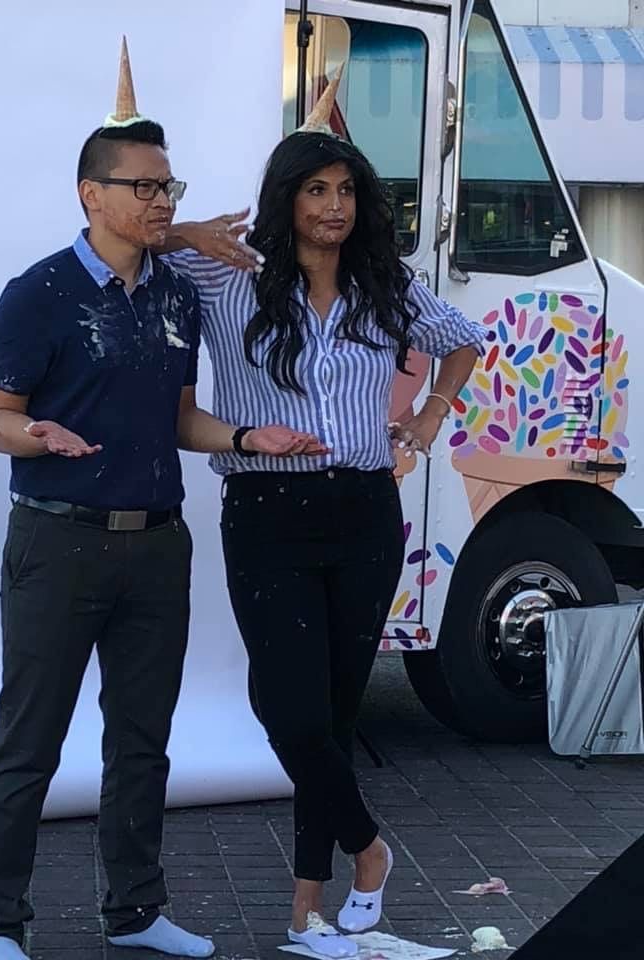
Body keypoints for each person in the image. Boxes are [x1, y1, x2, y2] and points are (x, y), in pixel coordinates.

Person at [0, 39, 324, 960]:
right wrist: (30, 434)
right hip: (57, 544)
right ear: (92, 194)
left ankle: (134, 912)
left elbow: (178, 419)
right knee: (27, 745)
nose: (163, 202)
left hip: (159, 546)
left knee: (141, 743)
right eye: (146, 187)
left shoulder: (175, 295)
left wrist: (245, 439)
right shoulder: (37, 294)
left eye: (170, 186)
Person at [162, 73, 486, 958]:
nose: (334, 206)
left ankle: (306, 916)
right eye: (316, 189)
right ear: (286, 197)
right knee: (288, 706)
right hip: (264, 509)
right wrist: (184, 227)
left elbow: (461, 341)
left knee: (337, 715)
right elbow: (135, 243)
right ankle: (371, 851)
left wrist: (422, 421)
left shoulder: (385, 285)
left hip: (363, 512)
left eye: (346, 190)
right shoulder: (229, 276)